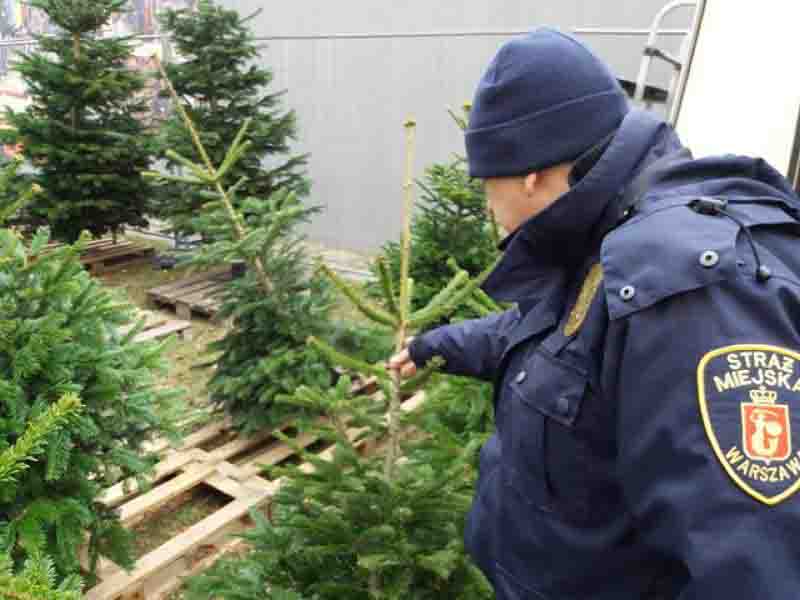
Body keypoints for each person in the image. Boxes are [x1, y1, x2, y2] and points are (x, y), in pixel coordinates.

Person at [389, 28, 800, 599]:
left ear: (528, 173)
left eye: (486, 185)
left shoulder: (688, 287)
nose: (489, 207)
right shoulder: (610, 239)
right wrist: (435, 346)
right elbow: (555, 339)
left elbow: (751, 569)